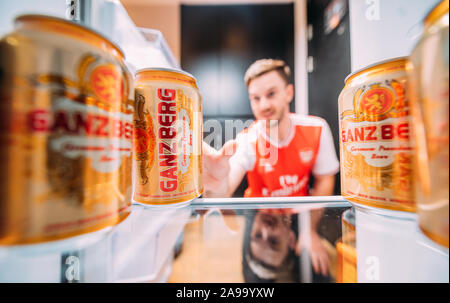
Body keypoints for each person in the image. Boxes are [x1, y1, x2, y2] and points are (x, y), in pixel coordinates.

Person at [202, 58, 340, 276]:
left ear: (289, 93)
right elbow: (226, 187)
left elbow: (325, 179)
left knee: (318, 272)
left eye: (271, 94)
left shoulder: (317, 129)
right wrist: (216, 185)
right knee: (255, 274)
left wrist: (309, 230)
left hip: (299, 213)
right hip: (258, 215)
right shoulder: (248, 140)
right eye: (255, 98)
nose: (263, 105)